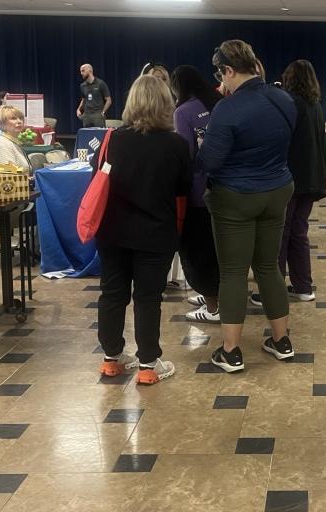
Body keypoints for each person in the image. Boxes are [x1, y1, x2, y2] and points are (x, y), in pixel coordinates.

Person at [198, 39, 297, 373]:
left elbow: (210, 162)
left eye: (220, 73)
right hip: (278, 190)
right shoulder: (284, 98)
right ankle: (282, 341)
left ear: (228, 70)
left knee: (234, 272)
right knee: (269, 266)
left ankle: (231, 351)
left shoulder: (227, 108)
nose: (220, 80)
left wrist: (200, 146)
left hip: (236, 197)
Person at [93, 74, 192, 385]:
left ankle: (111, 359)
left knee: (112, 294)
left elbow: (98, 178)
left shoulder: (113, 139)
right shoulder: (176, 144)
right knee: (148, 298)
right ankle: (148, 365)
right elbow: (183, 188)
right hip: (155, 232)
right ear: (166, 104)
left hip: (112, 232)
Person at [269, 59, 326, 302]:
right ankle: (304, 286)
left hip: (290, 177)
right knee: (299, 232)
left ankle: (273, 290)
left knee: (280, 234)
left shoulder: (289, 103)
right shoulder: (315, 105)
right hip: (311, 178)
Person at [171, 64, 224, 322]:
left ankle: (213, 306)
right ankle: (213, 294)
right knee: (216, 247)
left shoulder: (183, 112)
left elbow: (185, 154)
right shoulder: (219, 103)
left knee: (197, 250)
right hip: (223, 188)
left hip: (196, 192)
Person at [0, 105, 32, 172]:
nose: (19, 121)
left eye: (21, 118)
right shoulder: (2, 144)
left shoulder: (12, 141)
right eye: (13, 118)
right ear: (2, 122)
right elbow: (9, 174)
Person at [77, 63, 111, 128]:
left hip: (98, 115)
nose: (81, 73)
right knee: (87, 136)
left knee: (99, 136)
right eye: (80, 71)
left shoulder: (100, 83)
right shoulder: (82, 85)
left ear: (89, 70)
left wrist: (103, 112)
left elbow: (109, 100)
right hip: (87, 115)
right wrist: (78, 109)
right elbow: (83, 99)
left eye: (83, 70)